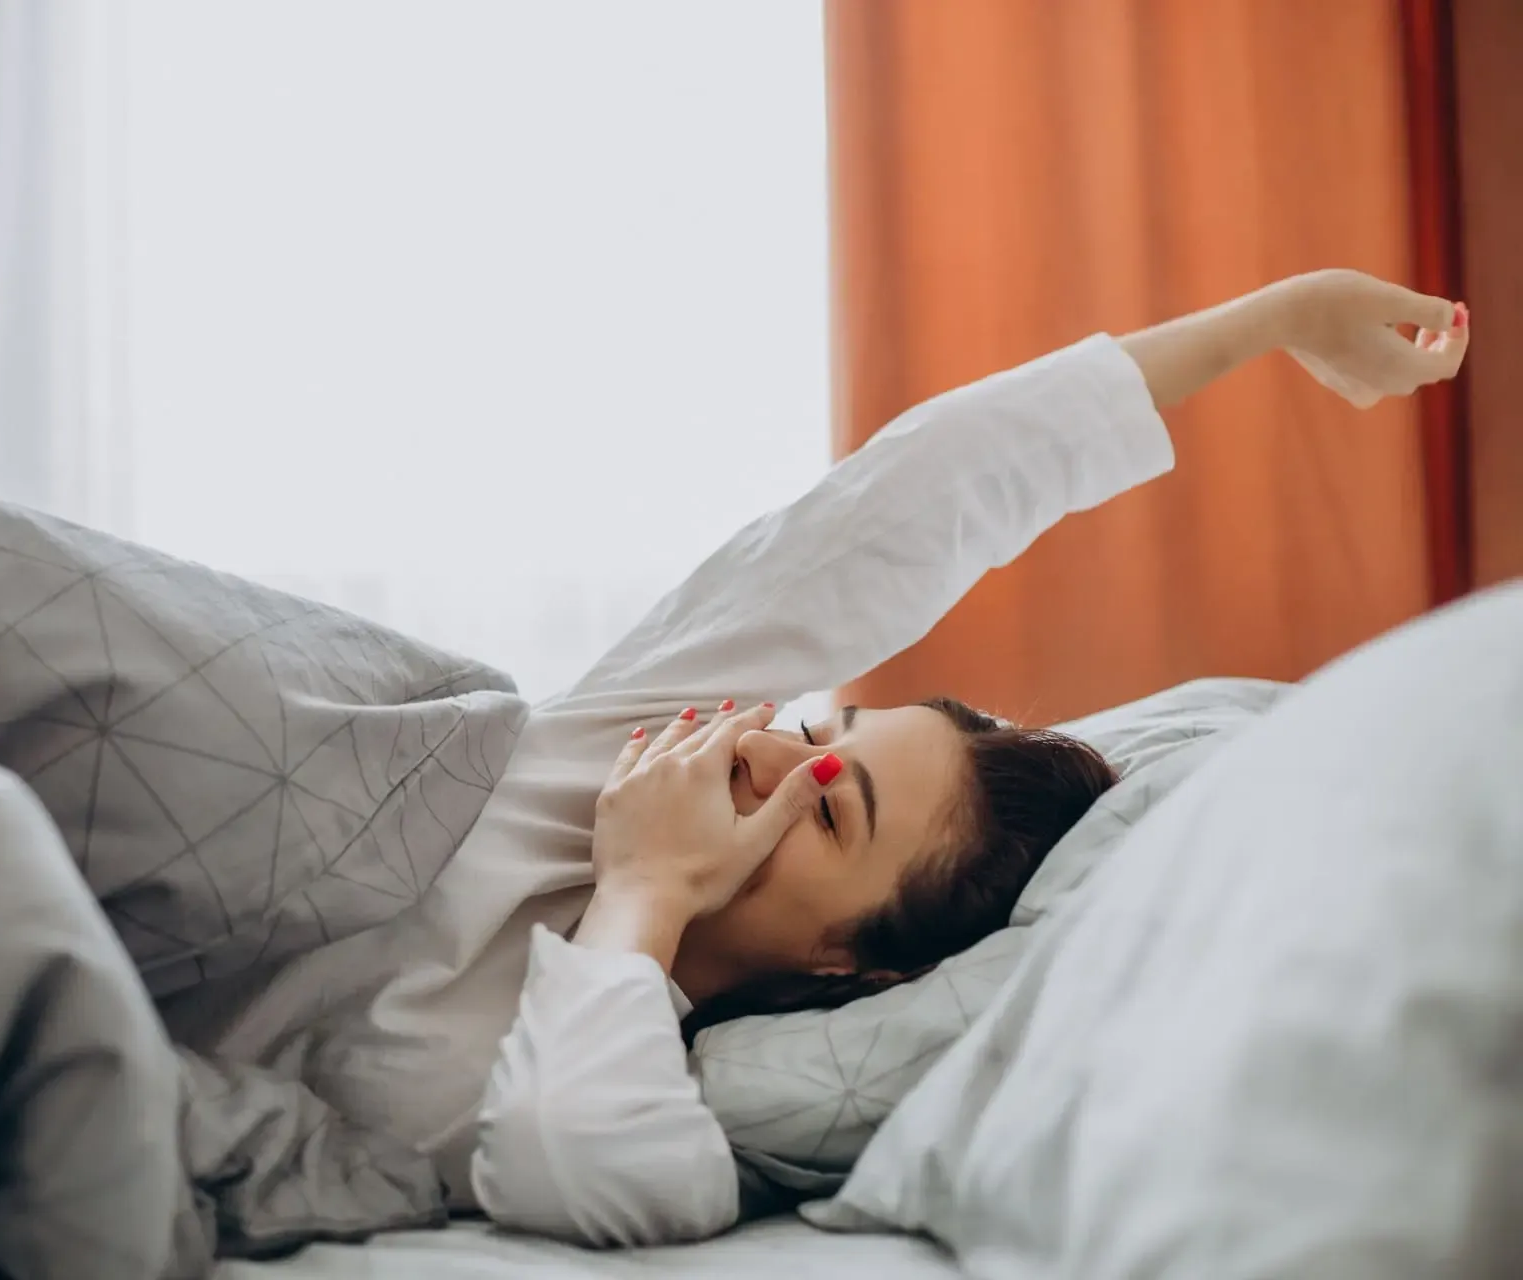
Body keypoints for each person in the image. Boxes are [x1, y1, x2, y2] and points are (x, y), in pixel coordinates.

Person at [172, 269, 1468, 1248]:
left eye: (830, 815)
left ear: (860, 959)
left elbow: (569, 1162)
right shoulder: (612, 750)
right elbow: (900, 507)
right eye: (817, 732)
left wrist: (647, 896)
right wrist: (1276, 319)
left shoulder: (679, 1096)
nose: (768, 762)